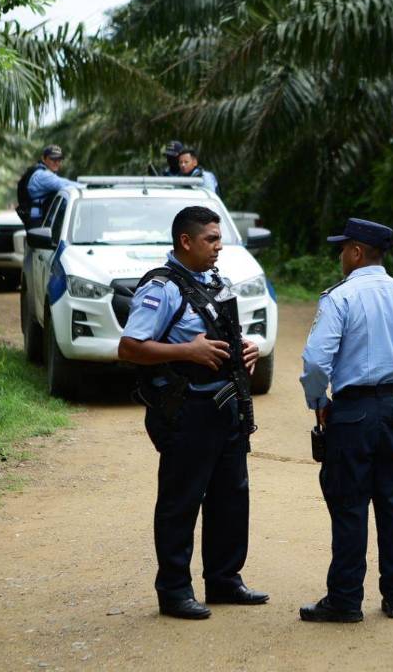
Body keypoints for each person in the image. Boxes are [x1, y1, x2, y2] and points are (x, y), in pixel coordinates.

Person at [117, 206, 267, 620]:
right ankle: (174, 590)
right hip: (188, 411)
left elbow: (223, 336)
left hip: (226, 407)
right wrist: (188, 351)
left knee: (230, 499)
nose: (220, 247)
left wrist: (246, 350)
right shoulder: (162, 288)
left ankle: (224, 580)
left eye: (220, 239)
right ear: (186, 241)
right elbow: (129, 348)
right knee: (181, 502)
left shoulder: (216, 281)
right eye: (211, 239)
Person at [298, 218, 393, 623]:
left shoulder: (340, 298)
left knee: (349, 505)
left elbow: (315, 362)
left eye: (342, 248)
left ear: (357, 252)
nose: (340, 256)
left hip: (352, 414)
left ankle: (346, 600)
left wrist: (318, 402)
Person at [18, 144, 82, 227]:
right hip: (38, 226)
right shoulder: (42, 176)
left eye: (59, 159)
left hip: (40, 222)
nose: (56, 162)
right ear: (43, 159)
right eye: (53, 159)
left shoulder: (43, 172)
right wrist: (89, 186)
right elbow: (64, 184)